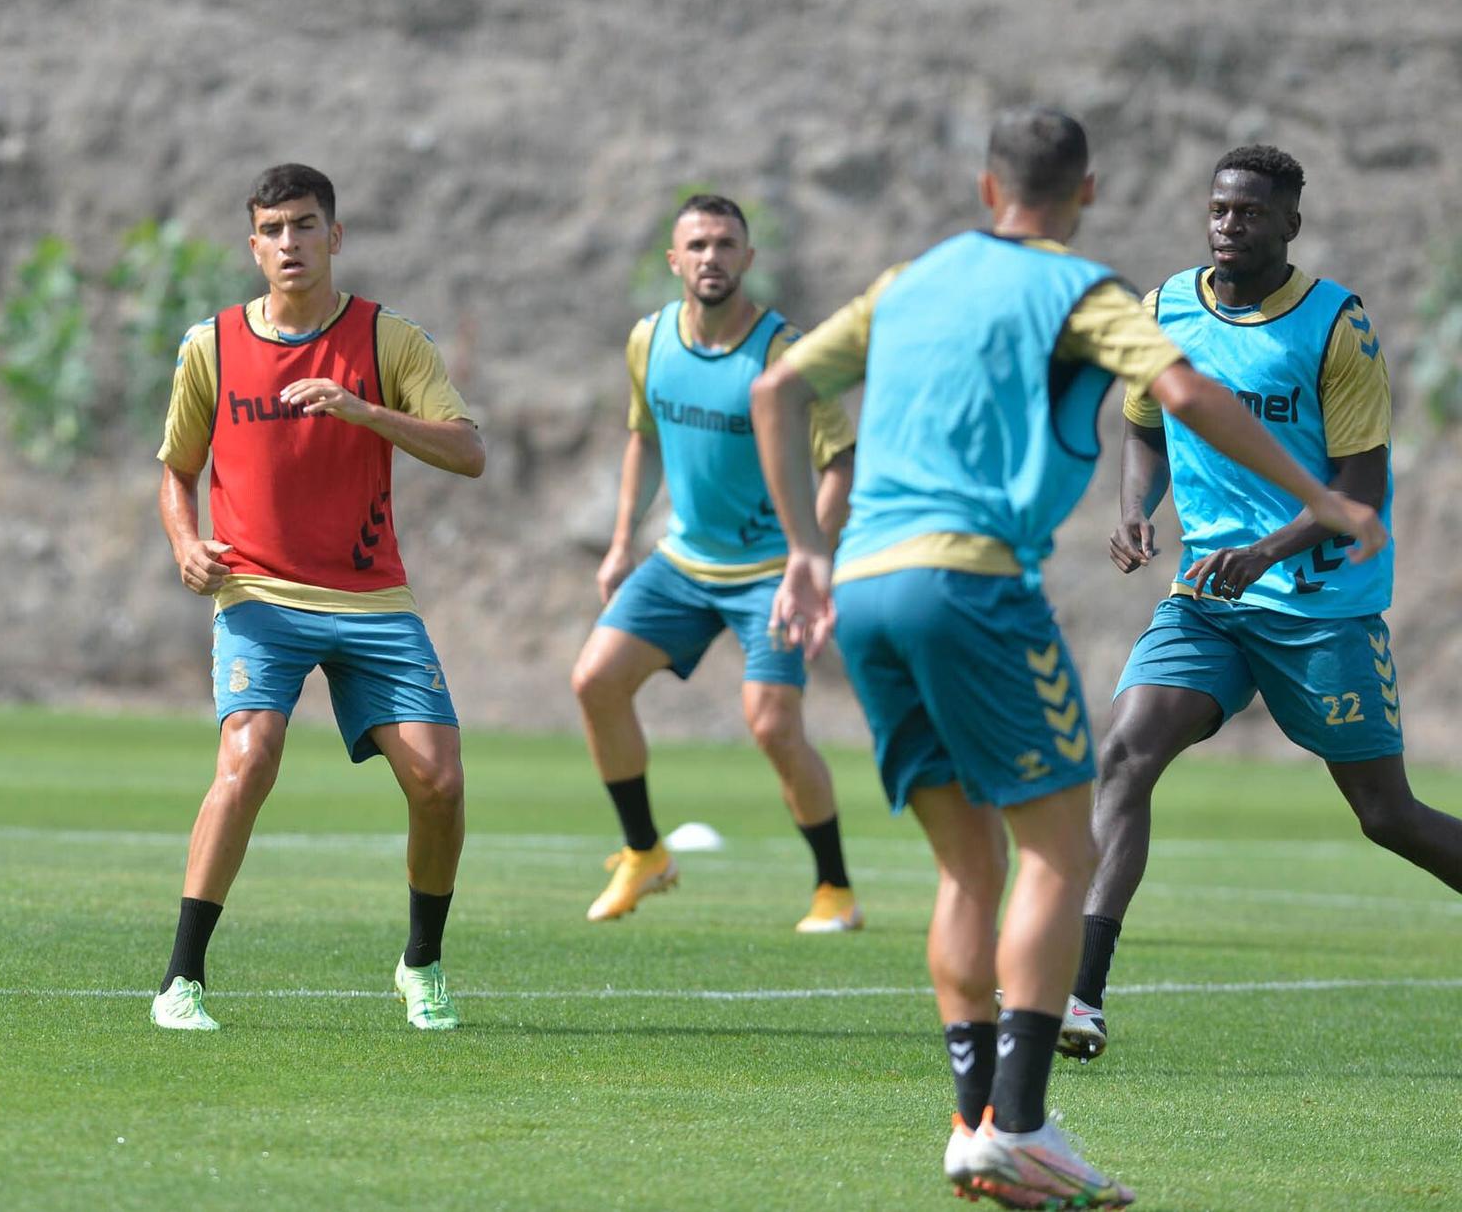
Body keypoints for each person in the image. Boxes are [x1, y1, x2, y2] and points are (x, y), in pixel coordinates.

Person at [751, 108, 1384, 1210]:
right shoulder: (1085, 292)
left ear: (985, 183)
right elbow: (1179, 394)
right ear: (1084, 191)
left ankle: (970, 1127)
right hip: (971, 583)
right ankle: (1023, 1122)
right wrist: (1320, 496)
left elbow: (774, 388)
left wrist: (803, 552)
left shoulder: (909, 277)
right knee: (1054, 844)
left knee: (966, 863)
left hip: (861, 588)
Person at [1068, 144, 1462, 1060]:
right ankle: (1079, 995)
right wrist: (1134, 511)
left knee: (1385, 815)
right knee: (1125, 752)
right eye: (1217, 209)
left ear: (1290, 221)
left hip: (1320, 602)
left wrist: (1267, 551)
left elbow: (1357, 489)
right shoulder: (1165, 306)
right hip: (1207, 597)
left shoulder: (1335, 326)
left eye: (1249, 212)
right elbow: (1145, 427)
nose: (1228, 225)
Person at [150, 163, 486, 1033]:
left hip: (373, 598)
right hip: (257, 590)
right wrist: (187, 545)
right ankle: (180, 978)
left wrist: (363, 410)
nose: (290, 243)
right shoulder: (213, 344)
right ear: (253, 245)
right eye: (273, 230)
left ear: (334, 236)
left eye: (305, 226)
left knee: (440, 783)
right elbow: (177, 474)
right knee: (249, 756)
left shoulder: (388, 341)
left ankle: (422, 964)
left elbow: (467, 450)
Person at [571, 194, 862, 930]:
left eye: (726, 244)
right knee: (595, 681)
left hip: (769, 569)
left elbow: (842, 464)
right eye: (697, 244)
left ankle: (835, 888)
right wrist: (619, 541)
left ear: (749, 259)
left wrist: (808, 558)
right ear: (674, 260)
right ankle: (644, 852)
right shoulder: (649, 339)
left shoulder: (784, 354)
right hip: (683, 559)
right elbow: (644, 437)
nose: (711, 257)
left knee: (771, 725)